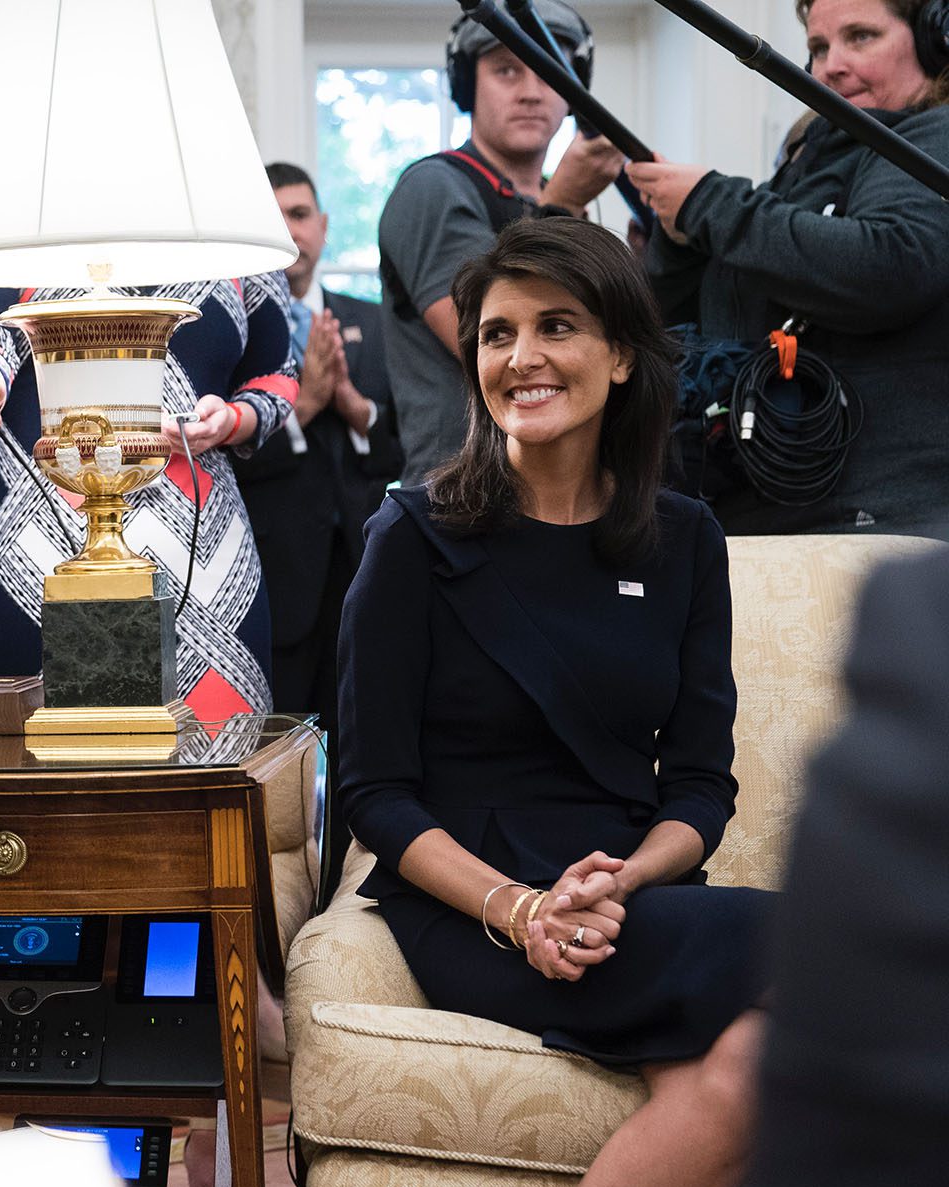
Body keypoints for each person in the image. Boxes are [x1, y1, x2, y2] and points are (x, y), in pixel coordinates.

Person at [340, 218, 771, 1187]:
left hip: (627, 900)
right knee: (852, 945)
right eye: (498, 333)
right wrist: (521, 906)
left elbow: (701, 786)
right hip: (474, 908)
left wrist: (619, 883)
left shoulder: (687, 540)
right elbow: (377, 791)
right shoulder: (411, 535)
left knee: (748, 1075)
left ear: (619, 356)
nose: (522, 357)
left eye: (557, 326)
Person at [627, 0, 949, 534]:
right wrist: (681, 243)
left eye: (861, 37)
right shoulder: (814, 158)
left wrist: (711, 203)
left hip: (883, 526)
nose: (831, 66)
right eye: (819, 47)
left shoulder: (932, 137)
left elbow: (891, 265)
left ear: (936, 40)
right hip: (769, 510)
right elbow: (688, 319)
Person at [0, 277, 296, 723]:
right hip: (36, 539)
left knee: (218, 763)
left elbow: (274, 374)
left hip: (206, 551)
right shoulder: (19, 212)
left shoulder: (230, 214)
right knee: (28, 765)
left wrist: (233, 419)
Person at [752, 546, 949, 1187]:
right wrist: (513, 904)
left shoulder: (915, 614)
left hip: (641, 880)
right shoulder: (920, 621)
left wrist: (634, 870)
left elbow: (698, 785)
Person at [378, 0, 626, 485]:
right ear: (468, 85)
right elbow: (488, 342)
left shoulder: (559, 199)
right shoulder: (433, 187)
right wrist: (561, 205)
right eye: (507, 71)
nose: (532, 93)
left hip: (559, 493)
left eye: (549, 73)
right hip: (462, 493)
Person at [235, 162, 400, 747]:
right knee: (277, 754)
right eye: (273, 218)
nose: (289, 231)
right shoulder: (238, 334)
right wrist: (300, 407)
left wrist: (355, 408)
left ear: (323, 225)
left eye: (300, 215)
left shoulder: (376, 323)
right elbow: (220, 460)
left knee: (370, 741)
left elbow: (411, 446)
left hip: (368, 570)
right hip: (274, 577)